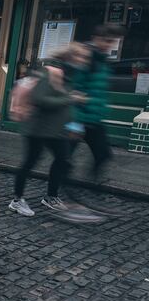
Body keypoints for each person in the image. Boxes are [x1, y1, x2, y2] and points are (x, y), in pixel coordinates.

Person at [9, 46, 88, 217]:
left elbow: (63, 102)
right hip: (37, 128)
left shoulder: (68, 75)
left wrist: (74, 124)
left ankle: (51, 197)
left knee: (63, 159)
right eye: (81, 58)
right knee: (30, 162)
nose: (84, 61)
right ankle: (17, 200)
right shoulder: (50, 72)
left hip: (56, 130)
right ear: (71, 58)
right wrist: (70, 98)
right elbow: (40, 99)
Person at [70, 24, 122, 182]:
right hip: (80, 117)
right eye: (107, 41)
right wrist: (75, 122)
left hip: (93, 118)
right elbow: (75, 89)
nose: (109, 45)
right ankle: (57, 188)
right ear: (96, 39)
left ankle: (89, 182)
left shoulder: (102, 61)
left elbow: (98, 89)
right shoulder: (86, 58)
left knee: (103, 154)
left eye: (112, 41)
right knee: (64, 156)